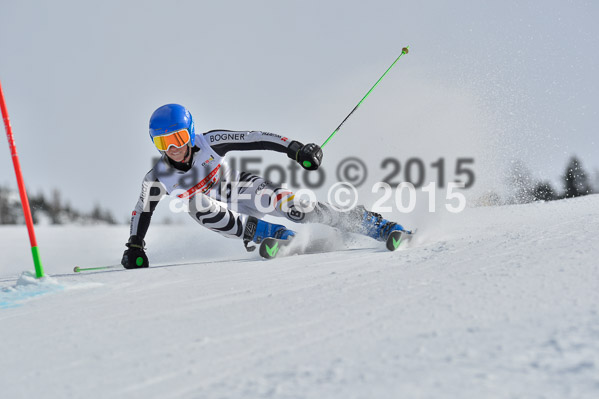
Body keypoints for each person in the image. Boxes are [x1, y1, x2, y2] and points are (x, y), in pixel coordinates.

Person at [121, 104, 405, 268]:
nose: (173, 149)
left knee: (296, 207)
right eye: (163, 143)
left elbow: (254, 138)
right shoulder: (157, 177)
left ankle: (374, 226)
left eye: (178, 138)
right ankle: (275, 234)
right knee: (196, 204)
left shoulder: (209, 142)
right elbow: (141, 211)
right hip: (222, 215)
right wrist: (135, 245)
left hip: (240, 187)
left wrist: (295, 149)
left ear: (191, 133)